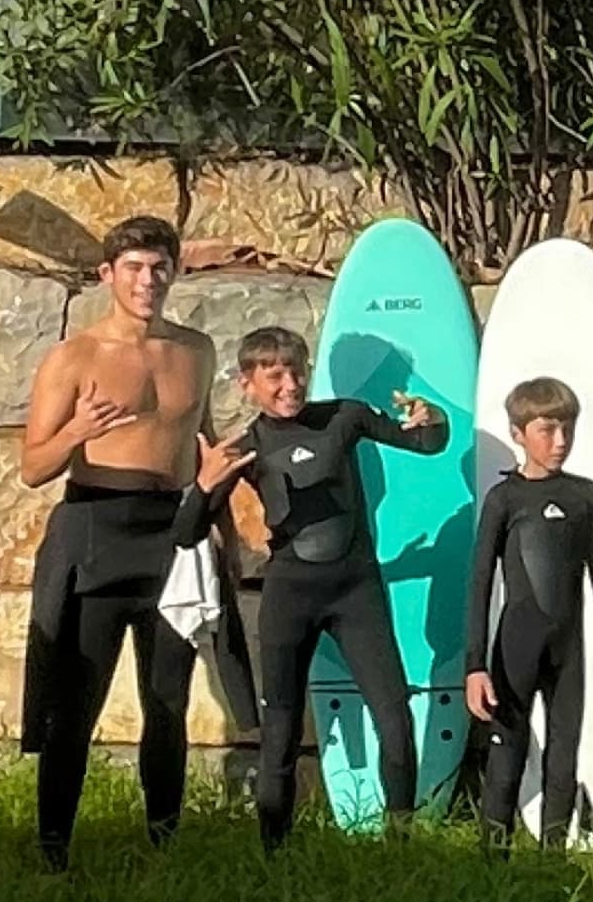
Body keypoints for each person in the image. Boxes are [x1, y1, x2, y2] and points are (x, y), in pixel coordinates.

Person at [180, 326, 449, 847]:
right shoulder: (246, 447)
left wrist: (430, 417)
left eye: (297, 371)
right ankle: (273, 853)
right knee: (279, 727)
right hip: (291, 593)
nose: (290, 384)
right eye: (274, 375)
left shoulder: (343, 416)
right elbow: (185, 533)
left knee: (393, 711)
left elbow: (427, 444)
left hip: (355, 590)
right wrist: (205, 485)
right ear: (247, 384)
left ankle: (401, 840)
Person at [16, 214, 214, 869]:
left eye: (159, 266)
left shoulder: (196, 349)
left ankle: (165, 839)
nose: (147, 280)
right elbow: (33, 465)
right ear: (107, 275)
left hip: (173, 533)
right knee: (78, 703)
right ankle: (52, 848)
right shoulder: (74, 356)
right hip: (98, 529)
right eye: (133, 267)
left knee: (168, 699)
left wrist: (227, 521)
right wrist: (76, 429)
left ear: (174, 271)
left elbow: (203, 442)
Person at [459, 377, 593, 847]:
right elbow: (478, 585)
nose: (560, 443)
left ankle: (554, 856)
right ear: (518, 434)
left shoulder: (584, 495)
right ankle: (493, 857)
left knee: (564, 752)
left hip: (568, 646)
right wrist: (474, 665)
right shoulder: (504, 499)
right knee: (507, 752)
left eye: (567, 430)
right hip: (516, 643)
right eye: (547, 430)